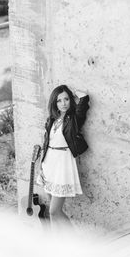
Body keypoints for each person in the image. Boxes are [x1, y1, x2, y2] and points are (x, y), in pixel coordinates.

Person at [37, 85, 90, 228]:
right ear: (54, 103)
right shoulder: (51, 120)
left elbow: (84, 98)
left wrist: (72, 90)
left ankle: (72, 243)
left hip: (63, 164)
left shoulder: (73, 119)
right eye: (59, 100)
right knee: (52, 212)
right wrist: (41, 166)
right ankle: (59, 244)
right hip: (49, 164)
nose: (63, 103)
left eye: (66, 99)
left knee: (54, 211)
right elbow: (46, 143)